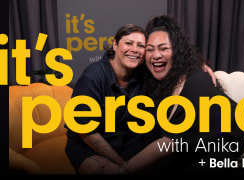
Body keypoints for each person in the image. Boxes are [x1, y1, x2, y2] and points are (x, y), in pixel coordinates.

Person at [65, 22, 217, 174]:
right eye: (128, 43)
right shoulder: (93, 77)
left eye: (141, 46)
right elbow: (86, 132)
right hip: (88, 145)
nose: (134, 50)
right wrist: (121, 165)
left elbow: (175, 57)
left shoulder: (141, 70)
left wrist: (198, 64)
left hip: (126, 140)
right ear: (115, 45)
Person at [123, 15, 244, 174]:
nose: (156, 55)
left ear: (176, 51)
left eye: (163, 48)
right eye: (150, 49)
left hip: (226, 135)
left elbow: (168, 143)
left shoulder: (196, 82)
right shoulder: (157, 76)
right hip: (195, 135)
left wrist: (124, 168)